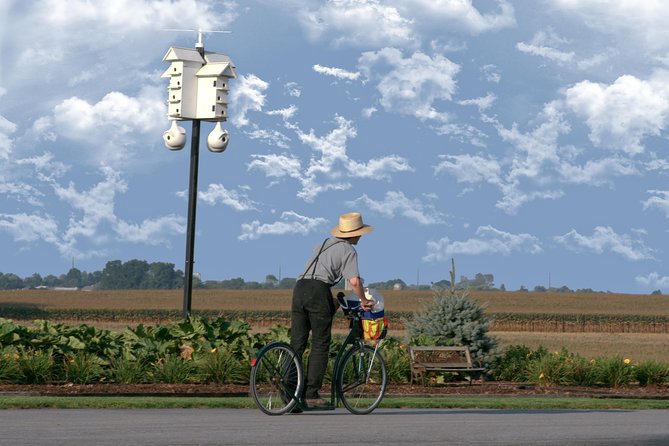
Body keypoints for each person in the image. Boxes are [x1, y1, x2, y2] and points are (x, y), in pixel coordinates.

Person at [290, 211, 375, 409]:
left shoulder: (323, 244)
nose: (361, 236)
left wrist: (333, 303)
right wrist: (363, 300)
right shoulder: (349, 251)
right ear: (354, 234)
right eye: (360, 233)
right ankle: (311, 395)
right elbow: (354, 281)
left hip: (299, 288)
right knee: (320, 344)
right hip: (318, 290)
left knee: (297, 344)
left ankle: (289, 394)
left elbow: (318, 275)